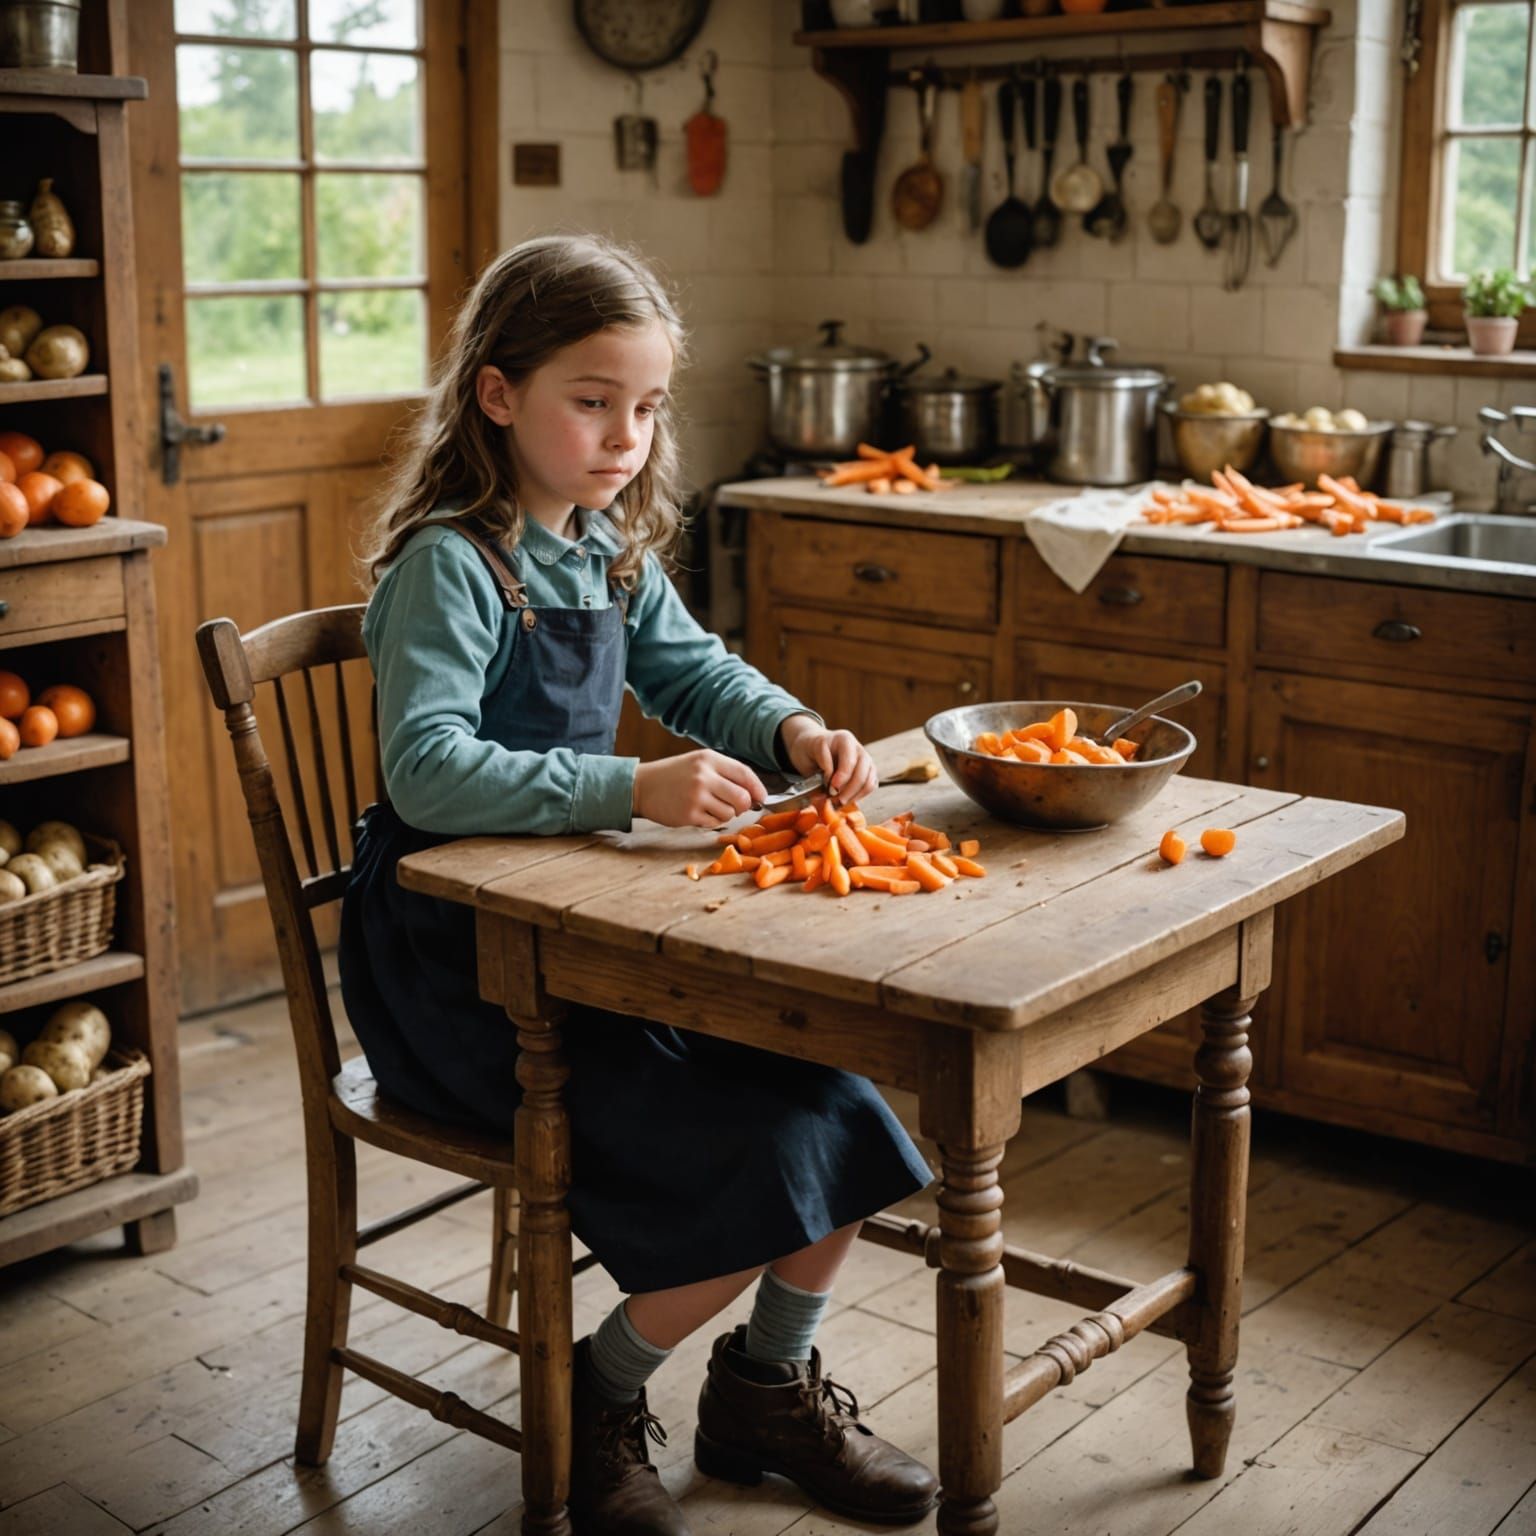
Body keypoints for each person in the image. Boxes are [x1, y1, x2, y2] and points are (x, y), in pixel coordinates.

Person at [340, 233, 939, 1535]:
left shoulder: (604, 543)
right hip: (459, 972)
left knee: (843, 1113)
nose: (624, 434)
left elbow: (697, 674)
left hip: (585, 934)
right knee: (757, 1163)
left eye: (647, 405)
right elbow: (431, 773)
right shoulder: (453, 563)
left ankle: (765, 1392)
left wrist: (793, 731)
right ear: (497, 395)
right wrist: (633, 790)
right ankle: (594, 1397)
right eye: (592, 400)